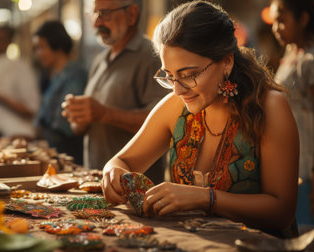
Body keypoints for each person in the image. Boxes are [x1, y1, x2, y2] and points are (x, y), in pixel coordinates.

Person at [101, 0, 299, 238]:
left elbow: (282, 211)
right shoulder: (176, 107)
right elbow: (121, 162)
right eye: (169, 76)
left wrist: (206, 198)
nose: (177, 90)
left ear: (226, 62)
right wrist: (112, 172)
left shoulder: (269, 107)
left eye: (189, 75)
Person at [62, 0, 168, 182]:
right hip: (97, 182)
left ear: (131, 14)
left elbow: (162, 123)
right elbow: (86, 123)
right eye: (95, 14)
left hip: (135, 189)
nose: (96, 22)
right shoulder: (100, 60)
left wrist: (104, 114)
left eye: (105, 14)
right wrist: (79, 117)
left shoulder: (151, 56)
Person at [270, 0, 314, 225]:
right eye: (274, 21)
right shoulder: (289, 57)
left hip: (308, 170)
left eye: (281, 20)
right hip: (290, 168)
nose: (275, 27)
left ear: (303, 19)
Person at [33, 21, 87, 165]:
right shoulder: (51, 76)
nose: (37, 54)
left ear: (57, 46)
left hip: (70, 158)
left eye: (41, 48)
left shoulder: (75, 75)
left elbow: (66, 123)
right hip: (52, 157)